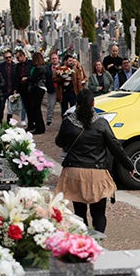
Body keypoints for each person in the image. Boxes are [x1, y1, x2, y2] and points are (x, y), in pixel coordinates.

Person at [55, 89, 134, 236]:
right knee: (99, 214)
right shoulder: (101, 123)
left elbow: (59, 142)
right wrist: (129, 165)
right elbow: (115, 147)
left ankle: (83, 243)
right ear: (93, 103)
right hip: (97, 172)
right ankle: (98, 243)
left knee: (79, 213)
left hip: (74, 172)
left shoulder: (68, 122)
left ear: (76, 104)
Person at [25, 51, 47, 134]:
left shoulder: (39, 68)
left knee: (36, 109)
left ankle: (40, 127)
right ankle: (39, 126)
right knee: (36, 109)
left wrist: (28, 78)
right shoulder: (41, 67)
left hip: (37, 88)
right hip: (40, 87)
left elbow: (33, 78)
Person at [45, 51, 60, 127]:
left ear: (58, 59)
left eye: (55, 58)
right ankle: (49, 120)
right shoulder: (47, 68)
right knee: (50, 105)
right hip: (51, 88)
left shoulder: (63, 67)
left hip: (60, 89)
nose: (54, 60)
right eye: (52, 58)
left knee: (63, 105)